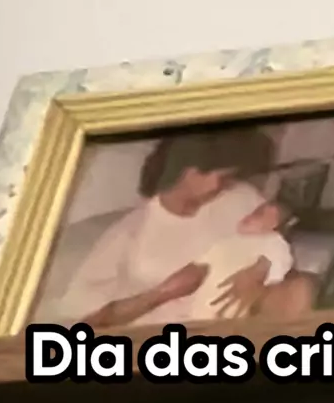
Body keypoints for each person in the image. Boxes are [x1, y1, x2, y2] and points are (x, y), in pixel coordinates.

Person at [47, 127, 297, 328]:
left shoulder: (239, 197)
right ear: (190, 171)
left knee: (301, 287)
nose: (226, 185)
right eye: (222, 177)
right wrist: (161, 294)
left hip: (241, 313)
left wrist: (261, 268)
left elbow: (276, 232)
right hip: (173, 332)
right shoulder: (131, 231)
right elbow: (84, 313)